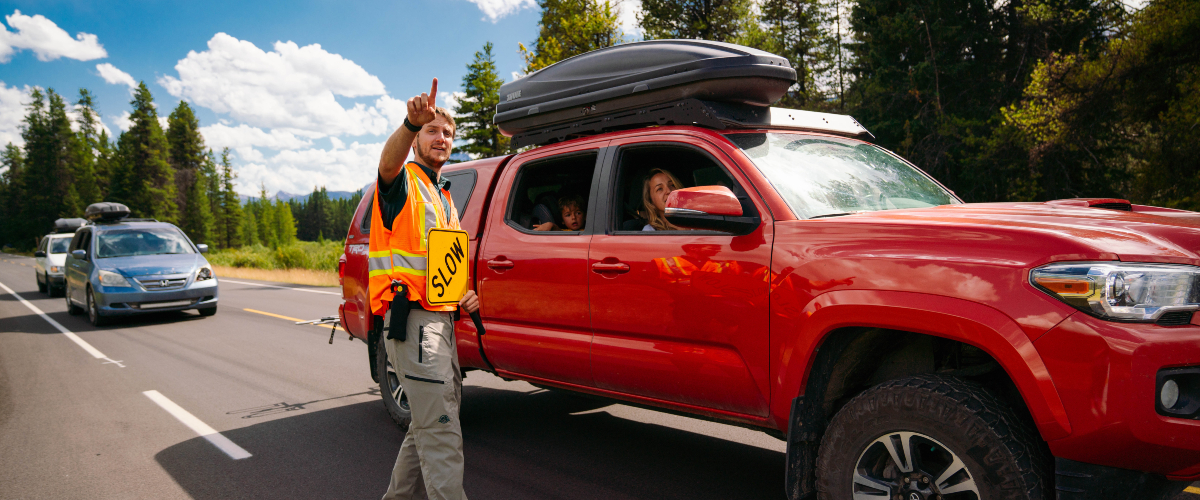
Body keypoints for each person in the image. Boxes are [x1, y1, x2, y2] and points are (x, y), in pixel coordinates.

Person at [370, 78, 480, 500]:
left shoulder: (444, 197)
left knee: (426, 427)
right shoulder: (402, 185)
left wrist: (462, 295)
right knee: (443, 436)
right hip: (412, 324)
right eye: (432, 131)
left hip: (441, 324)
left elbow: (442, 267)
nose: (441, 138)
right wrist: (409, 124)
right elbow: (387, 164)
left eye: (447, 133)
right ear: (418, 139)